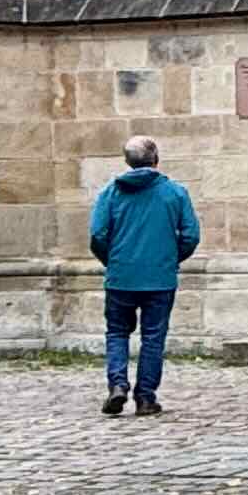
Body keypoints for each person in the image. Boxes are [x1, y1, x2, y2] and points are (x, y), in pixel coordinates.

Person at [89, 135, 201, 417]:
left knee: (117, 332)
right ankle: (145, 397)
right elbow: (190, 235)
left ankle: (118, 384)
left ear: (127, 162)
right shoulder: (175, 193)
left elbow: (98, 234)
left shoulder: (111, 193)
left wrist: (113, 261)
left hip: (121, 277)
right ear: (156, 159)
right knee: (153, 337)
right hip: (160, 278)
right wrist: (169, 260)